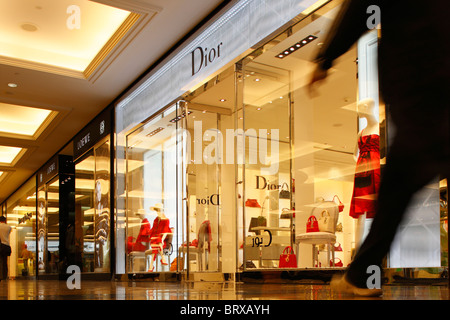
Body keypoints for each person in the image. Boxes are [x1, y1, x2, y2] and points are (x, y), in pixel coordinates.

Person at [308, 0, 450, 296]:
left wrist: (326, 58)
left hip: (420, 75)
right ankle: (361, 271)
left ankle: (361, 272)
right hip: (424, 76)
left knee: (400, 183)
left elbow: (359, 9)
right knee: (400, 183)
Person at [0, 216, 12, 282]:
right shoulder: (9, 227)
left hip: (1, 245)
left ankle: (1, 275)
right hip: (6, 245)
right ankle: (5, 276)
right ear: (5, 220)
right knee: (5, 262)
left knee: (0, 261)